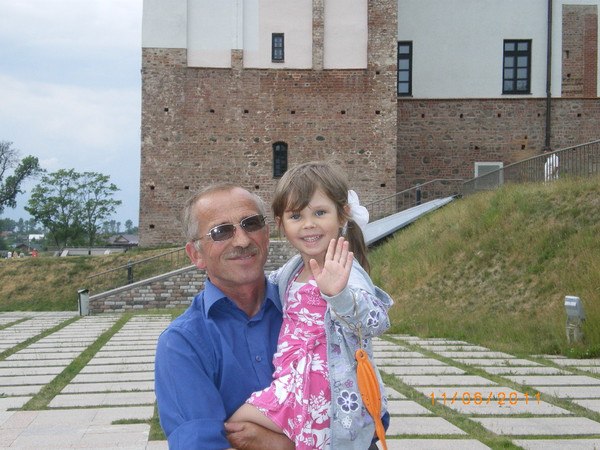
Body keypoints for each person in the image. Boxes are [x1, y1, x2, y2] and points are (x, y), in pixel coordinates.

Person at [229, 161, 393, 449]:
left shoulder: (344, 270)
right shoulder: (293, 270)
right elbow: (265, 288)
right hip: (291, 382)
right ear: (280, 224)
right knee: (237, 428)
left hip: (324, 391)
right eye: (296, 216)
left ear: (342, 215)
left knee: (237, 425)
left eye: (320, 213)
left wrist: (338, 295)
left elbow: (376, 321)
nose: (308, 224)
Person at [154, 183, 294, 450]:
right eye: (221, 231)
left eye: (251, 224)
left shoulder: (312, 312)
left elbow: (358, 420)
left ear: (266, 234)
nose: (242, 240)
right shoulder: (182, 344)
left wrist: (281, 445)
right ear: (196, 255)